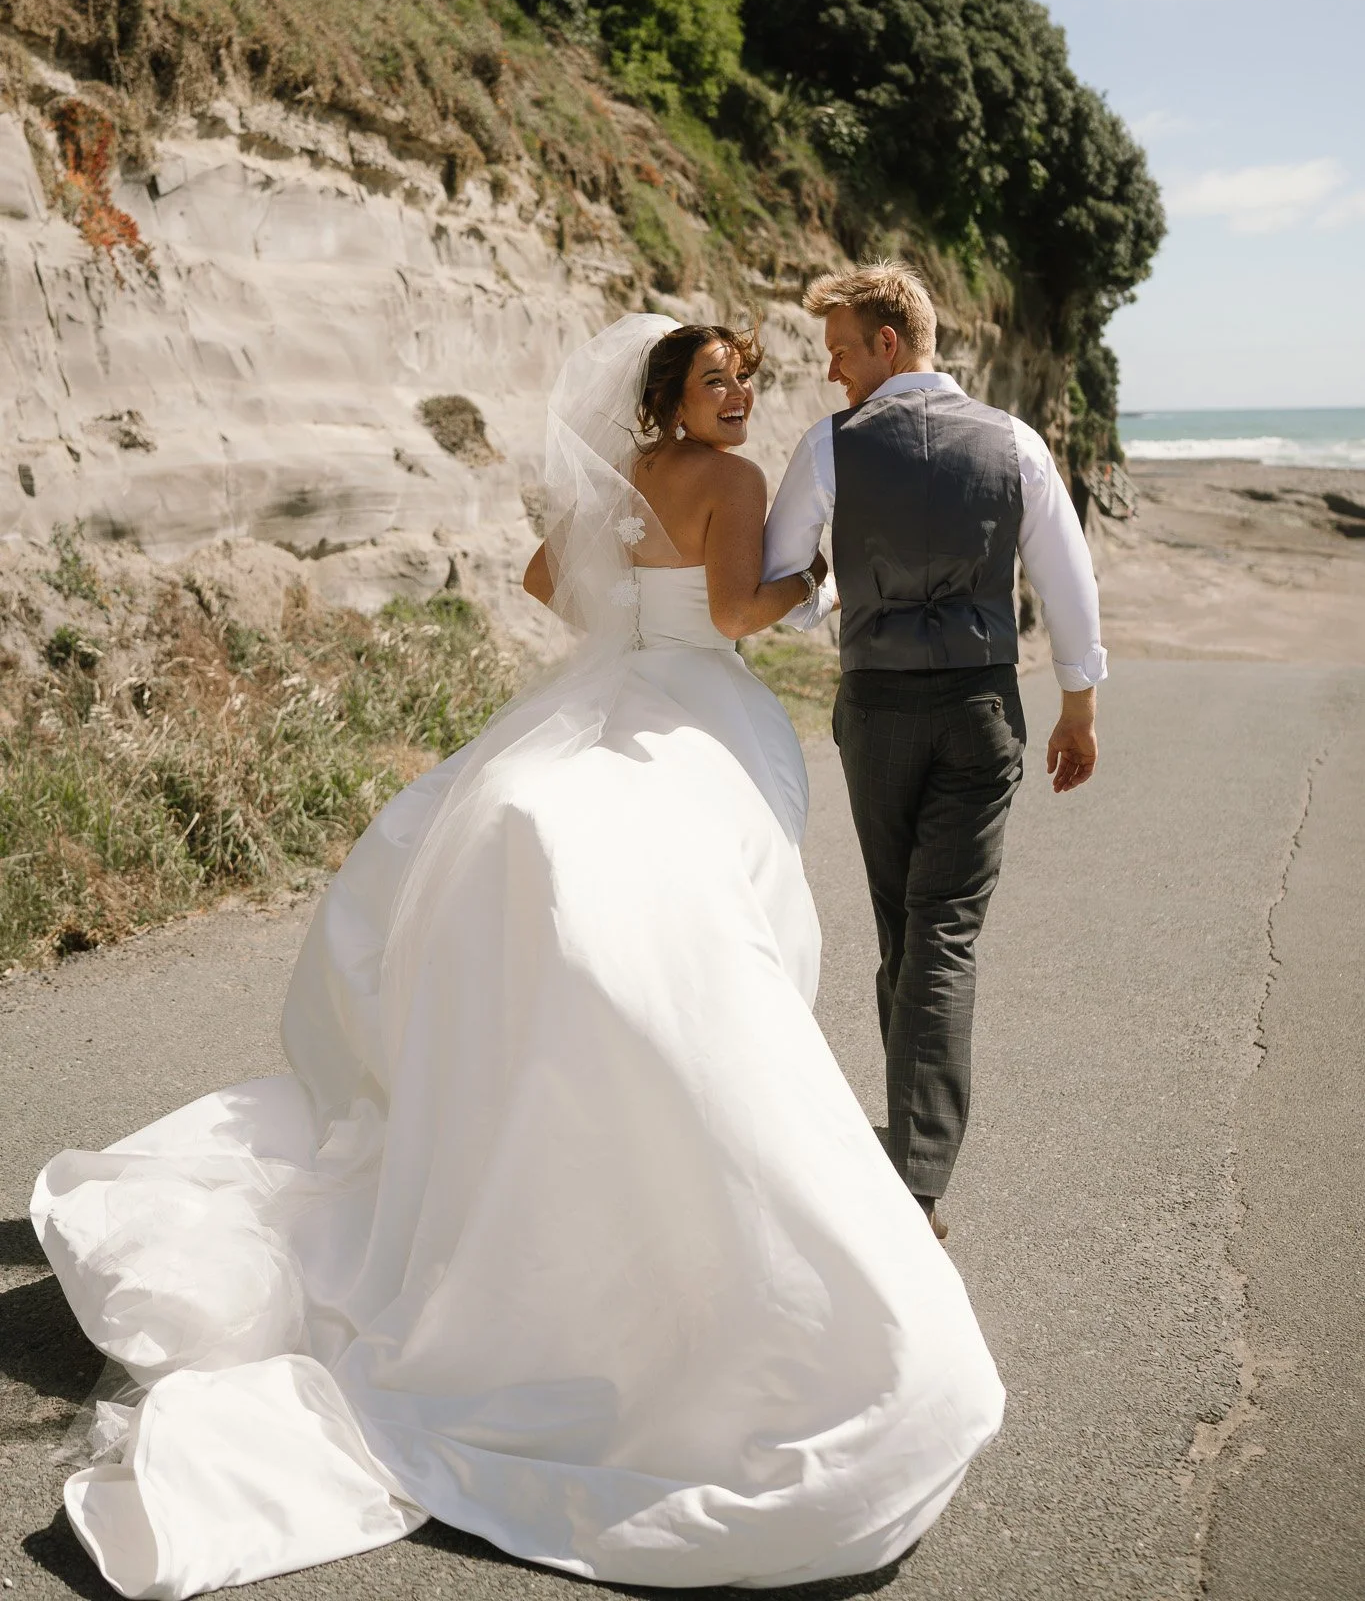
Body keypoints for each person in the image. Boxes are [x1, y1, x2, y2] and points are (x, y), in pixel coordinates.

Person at [32, 312, 1004, 1601]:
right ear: (671, 393)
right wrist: (808, 584)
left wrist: (627, 611)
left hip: (604, 695)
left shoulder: (624, 476)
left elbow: (551, 585)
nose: (739, 392)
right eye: (718, 379)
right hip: (693, 699)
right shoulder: (734, 478)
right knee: (712, 926)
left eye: (745, 379)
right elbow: (729, 610)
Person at [763, 263, 1106, 1237]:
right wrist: (1079, 704)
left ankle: (913, 1161)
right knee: (940, 930)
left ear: (888, 340)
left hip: (877, 709)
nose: (833, 375)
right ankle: (916, 1165)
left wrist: (838, 596)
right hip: (978, 708)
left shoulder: (832, 448)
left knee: (906, 930)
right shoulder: (1014, 442)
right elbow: (1065, 576)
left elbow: (787, 569)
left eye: (840, 352)